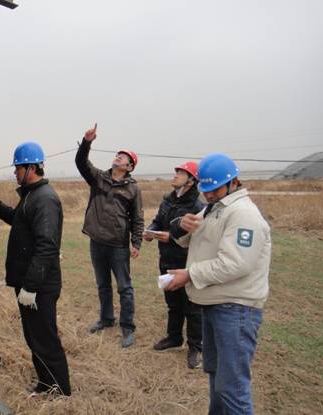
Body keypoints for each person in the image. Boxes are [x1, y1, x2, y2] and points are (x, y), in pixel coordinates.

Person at [166, 153, 271, 414]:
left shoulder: (243, 214)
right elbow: (191, 240)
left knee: (232, 388)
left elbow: (236, 263)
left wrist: (190, 275)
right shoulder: (214, 208)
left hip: (236, 309)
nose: (209, 194)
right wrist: (182, 225)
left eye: (215, 189)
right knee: (217, 377)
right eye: (206, 189)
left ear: (234, 182)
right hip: (215, 304)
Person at [0, 141, 71, 396]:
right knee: (34, 338)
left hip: (39, 285)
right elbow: (16, 219)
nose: (15, 173)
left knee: (45, 339)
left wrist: (30, 286)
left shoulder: (45, 199)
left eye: (18, 168)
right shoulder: (31, 196)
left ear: (31, 168)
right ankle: (45, 384)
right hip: (30, 282)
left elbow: (47, 246)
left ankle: (60, 391)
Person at [75, 123, 144, 348]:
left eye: (123, 157)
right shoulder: (98, 178)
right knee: (102, 285)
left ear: (129, 166)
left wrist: (136, 243)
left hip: (118, 246)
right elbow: (81, 162)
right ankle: (106, 319)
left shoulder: (133, 189)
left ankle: (128, 327)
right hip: (97, 242)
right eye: (117, 154)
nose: (118, 156)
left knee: (124, 287)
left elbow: (138, 218)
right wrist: (87, 142)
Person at [144, 161, 204, 368]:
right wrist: (151, 231)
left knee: (192, 307)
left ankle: (196, 347)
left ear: (191, 181)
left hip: (186, 262)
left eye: (181, 173)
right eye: (176, 171)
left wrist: (170, 236)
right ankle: (174, 337)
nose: (175, 175)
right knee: (173, 303)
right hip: (166, 258)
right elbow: (158, 220)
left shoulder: (198, 206)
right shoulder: (168, 200)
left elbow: (197, 236)